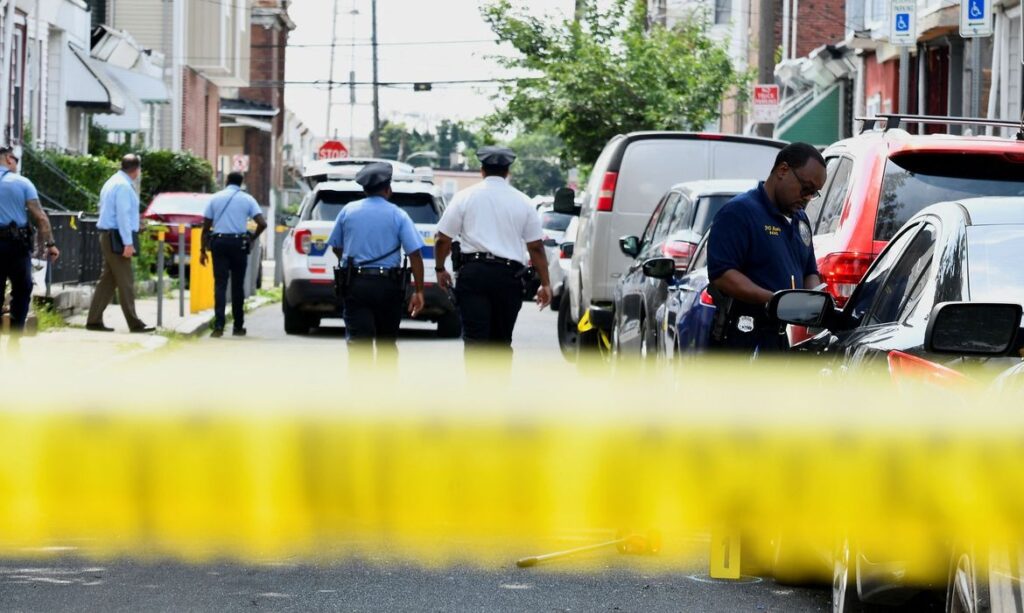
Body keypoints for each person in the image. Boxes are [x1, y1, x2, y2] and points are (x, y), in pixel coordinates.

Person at [707, 142, 827, 355]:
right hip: (739, 337)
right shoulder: (739, 212)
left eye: (814, 193)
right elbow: (723, 274)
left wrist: (815, 300)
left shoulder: (800, 220)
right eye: (806, 188)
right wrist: (773, 299)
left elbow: (809, 270)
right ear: (783, 170)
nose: (808, 198)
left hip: (778, 337)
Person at [433, 145, 551, 360]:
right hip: (509, 278)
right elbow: (535, 247)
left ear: (482, 170)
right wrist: (545, 283)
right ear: (507, 172)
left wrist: (440, 268)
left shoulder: (464, 197)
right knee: (501, 342)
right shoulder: (523, 201)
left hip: (473, 275)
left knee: (475, 340)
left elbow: (442, 239)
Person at [327, 162, 426, 366]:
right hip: (388, 286)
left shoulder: (348, 211)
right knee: (387, 344)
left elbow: (336, 246)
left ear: (364, 189)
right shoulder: (398, 215)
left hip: (355, 284)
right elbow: (415, 255)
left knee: (358, 344)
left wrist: (350, 259)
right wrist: (419, 291)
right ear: (388, 189)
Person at [86, 154, 154, 333]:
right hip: (117, 238)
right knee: (126, 281)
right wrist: (128, 243)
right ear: (137, 169)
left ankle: (93, 320)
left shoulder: (112, 182)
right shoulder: (124, 186)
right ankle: (134, 323)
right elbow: (122, 216)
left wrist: (135, 224)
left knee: (108, 281)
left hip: (109, 235)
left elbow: (116, 213)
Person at [199, 172, 267, 337]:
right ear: (241, 183)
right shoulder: (248, 199)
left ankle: (219, 326)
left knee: (220, 285)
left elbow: (206, 228)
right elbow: (262, 223)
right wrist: (252, 237)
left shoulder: (215, 199)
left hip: (219, 244)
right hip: (238, 244)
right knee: (238, 286)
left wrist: (202, 251)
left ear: (227, 181)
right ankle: (238, 326)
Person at [0, 146, 59, 334]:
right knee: (22, 289)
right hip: (17, 246)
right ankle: (15, 340)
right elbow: (40, 217)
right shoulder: (22, 183)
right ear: (9, 159)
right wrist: (51, 245)